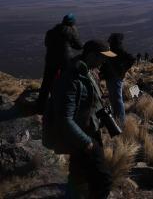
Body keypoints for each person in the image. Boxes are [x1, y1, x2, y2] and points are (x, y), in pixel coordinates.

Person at [46, 39, 116, 199]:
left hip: (89, 131)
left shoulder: (88, 72)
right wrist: (86, 142)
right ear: (91, 55)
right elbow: (65, 118)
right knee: (104, 180)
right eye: (102, 57)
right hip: (83, 137)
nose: (104, 61)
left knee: (79, 177)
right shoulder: (72, 78)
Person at [36, 13, 83, 113]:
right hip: (65, 61)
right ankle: (61, 107)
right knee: (65, 83)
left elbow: (46, 44)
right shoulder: (71, 31)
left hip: (50, 59)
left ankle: (40, 108)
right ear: (72, 23)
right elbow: (79, 46)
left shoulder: (51, 31)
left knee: (46, 83)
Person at [100, 33, 135, 126]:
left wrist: (122, 69)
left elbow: (131, 59)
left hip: (115, 77)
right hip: (112, 77)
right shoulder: (114, 50)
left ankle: (121, 123)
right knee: (113, 98)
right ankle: (117, 119)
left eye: (110, 40)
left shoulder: (118, 50)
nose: (109, 41)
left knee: (117, 99)